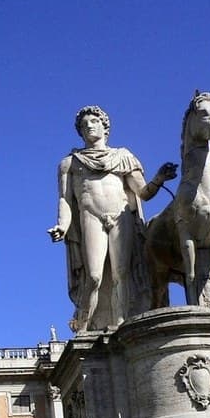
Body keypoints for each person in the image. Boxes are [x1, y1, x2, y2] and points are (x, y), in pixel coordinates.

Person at [48, 106, 176, 332]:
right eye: (84, 124)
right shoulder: (70, 163)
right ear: (79, 131)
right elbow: (66, 200)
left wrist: (159, 178)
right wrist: (63, 224)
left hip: (121, 215)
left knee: (121, 273)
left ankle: (121, 324)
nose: (89, 125)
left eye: (94, 121)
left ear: (105, 127)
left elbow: (143, 193)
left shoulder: (123, 157)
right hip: (91, 217)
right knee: (94, 276)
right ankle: (84, 327)